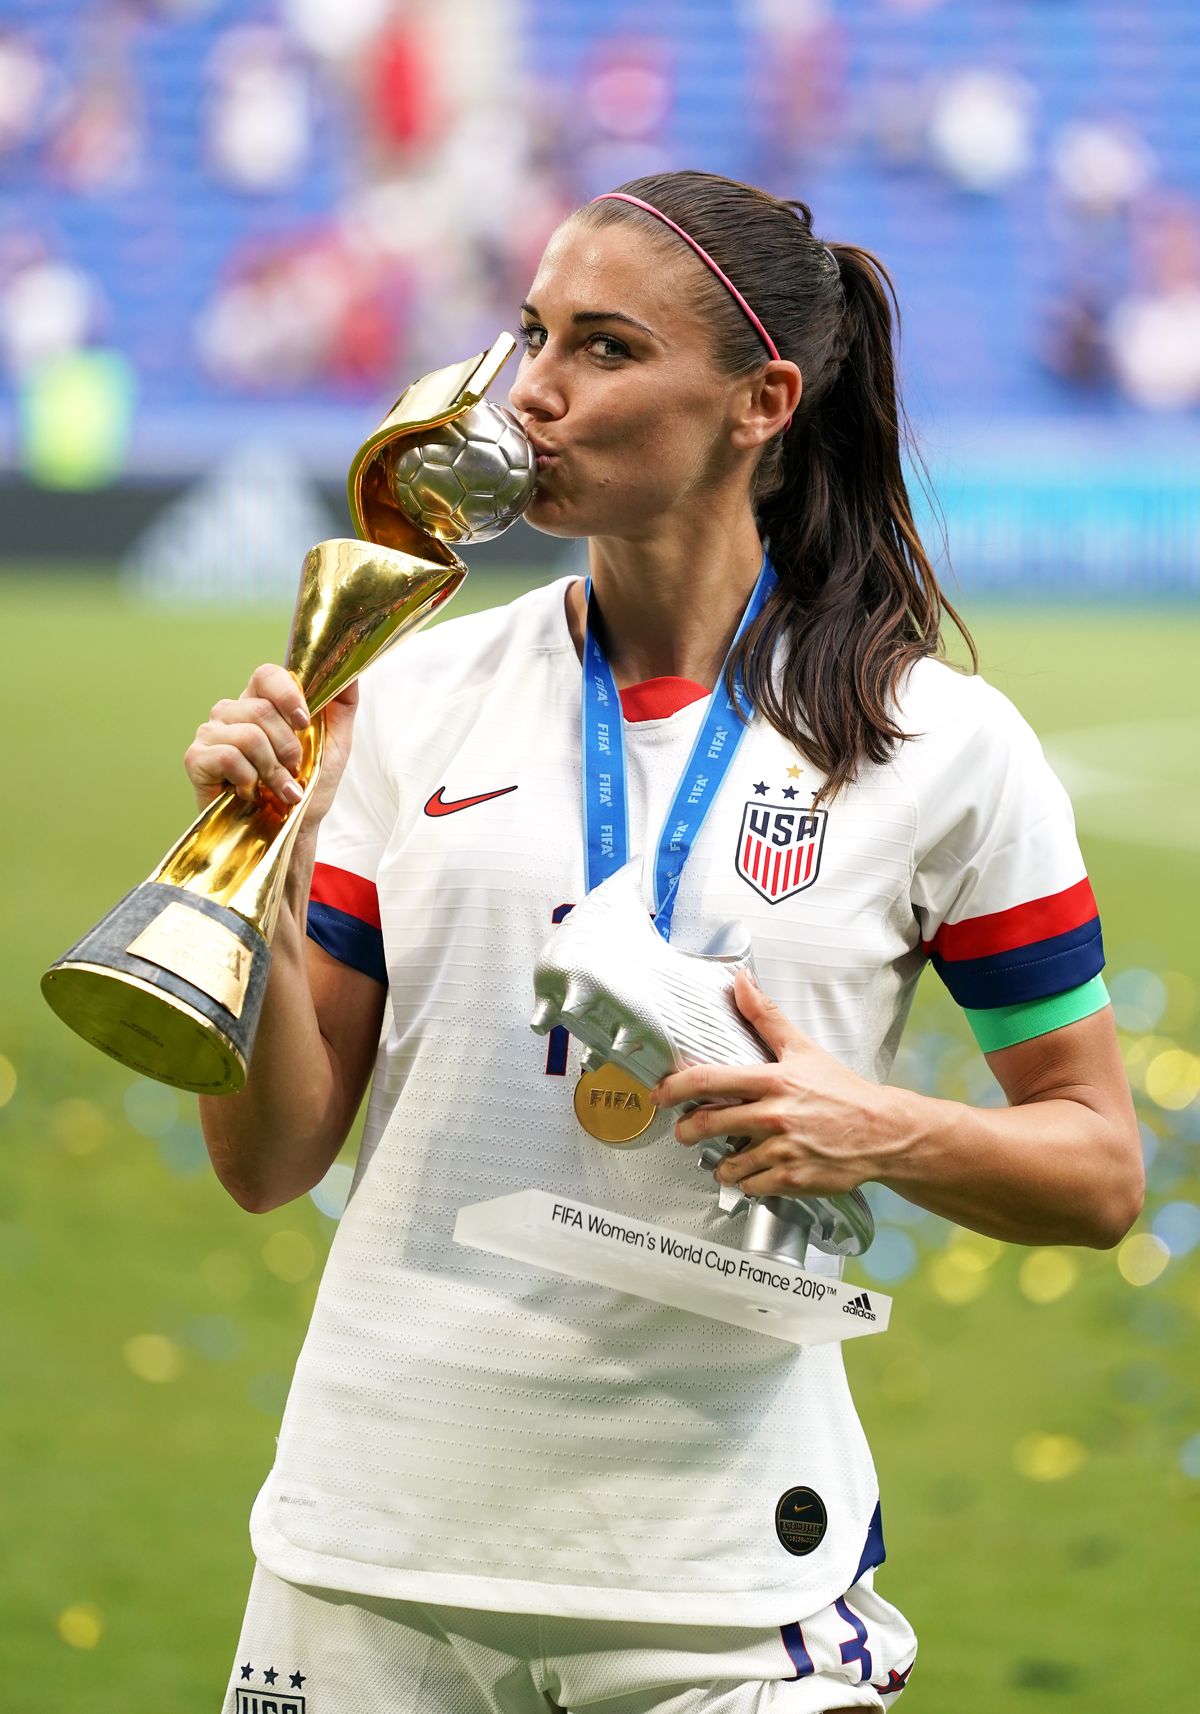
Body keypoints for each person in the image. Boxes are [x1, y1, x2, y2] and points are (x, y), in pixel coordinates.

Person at [187, 171, 1143, 1714]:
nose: (534, 394)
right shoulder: (410, 696)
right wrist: (260, 885)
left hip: (721, 1589)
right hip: (369, 1554)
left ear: (762, 399)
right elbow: (270, 1156)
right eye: (529, 334)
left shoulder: (942, 748)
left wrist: (879, 1124)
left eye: (607, 348)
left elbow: (1101, 1169)